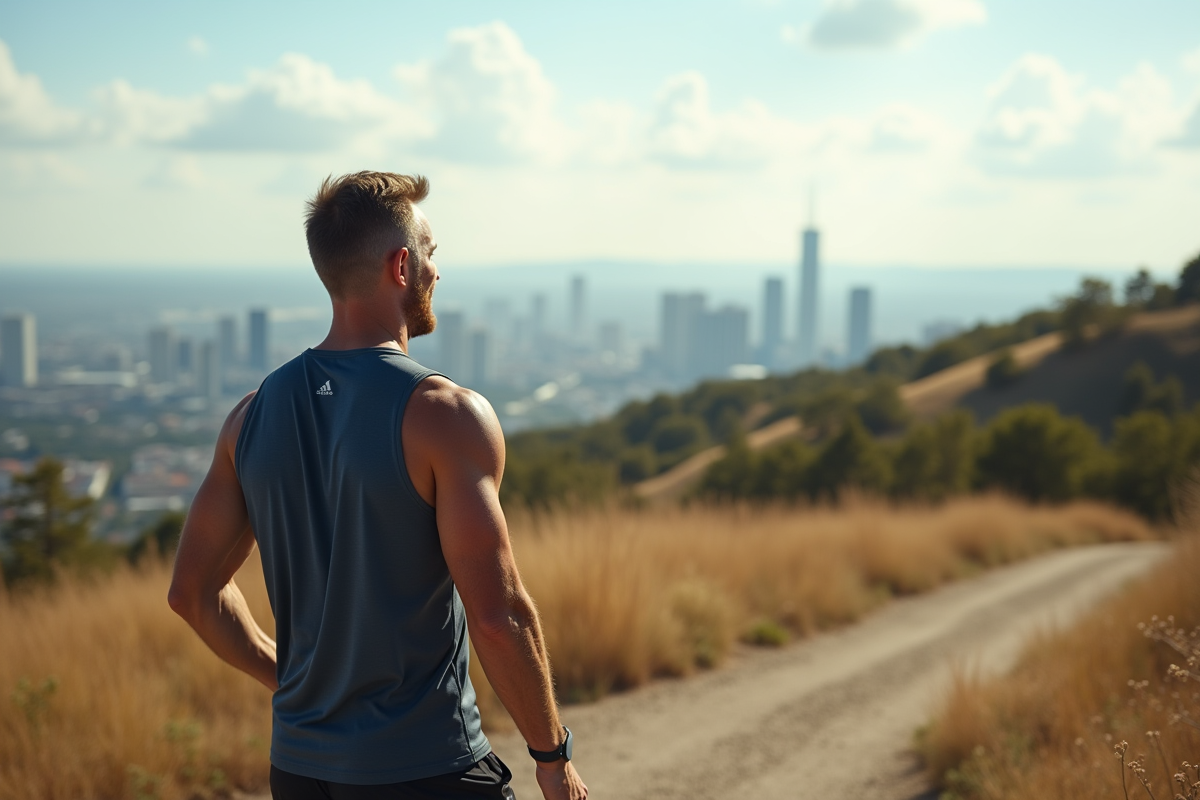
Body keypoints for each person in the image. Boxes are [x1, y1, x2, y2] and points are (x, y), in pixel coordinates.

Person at [167, 171, 588, 800]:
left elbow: (192, 594)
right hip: (427, 769)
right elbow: (499, 615)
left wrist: (293, 683)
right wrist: (553, 759)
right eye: (431, 255)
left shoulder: (249, 417)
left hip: (300, 772)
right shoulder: (445, 416)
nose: (437, 273)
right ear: (401, 265)